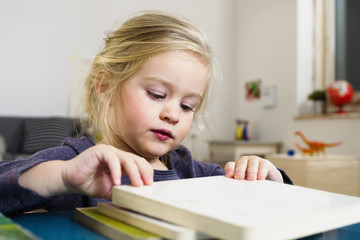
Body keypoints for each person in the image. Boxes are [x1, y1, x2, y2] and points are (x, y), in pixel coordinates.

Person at [0, 11, 291, 216]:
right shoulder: (79, 162)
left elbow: (272, 206)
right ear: (104, 86)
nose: (173, 114)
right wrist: (62, 177)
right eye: (156, 95)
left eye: (187, 106)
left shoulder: (190, 170)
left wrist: (270, 179)